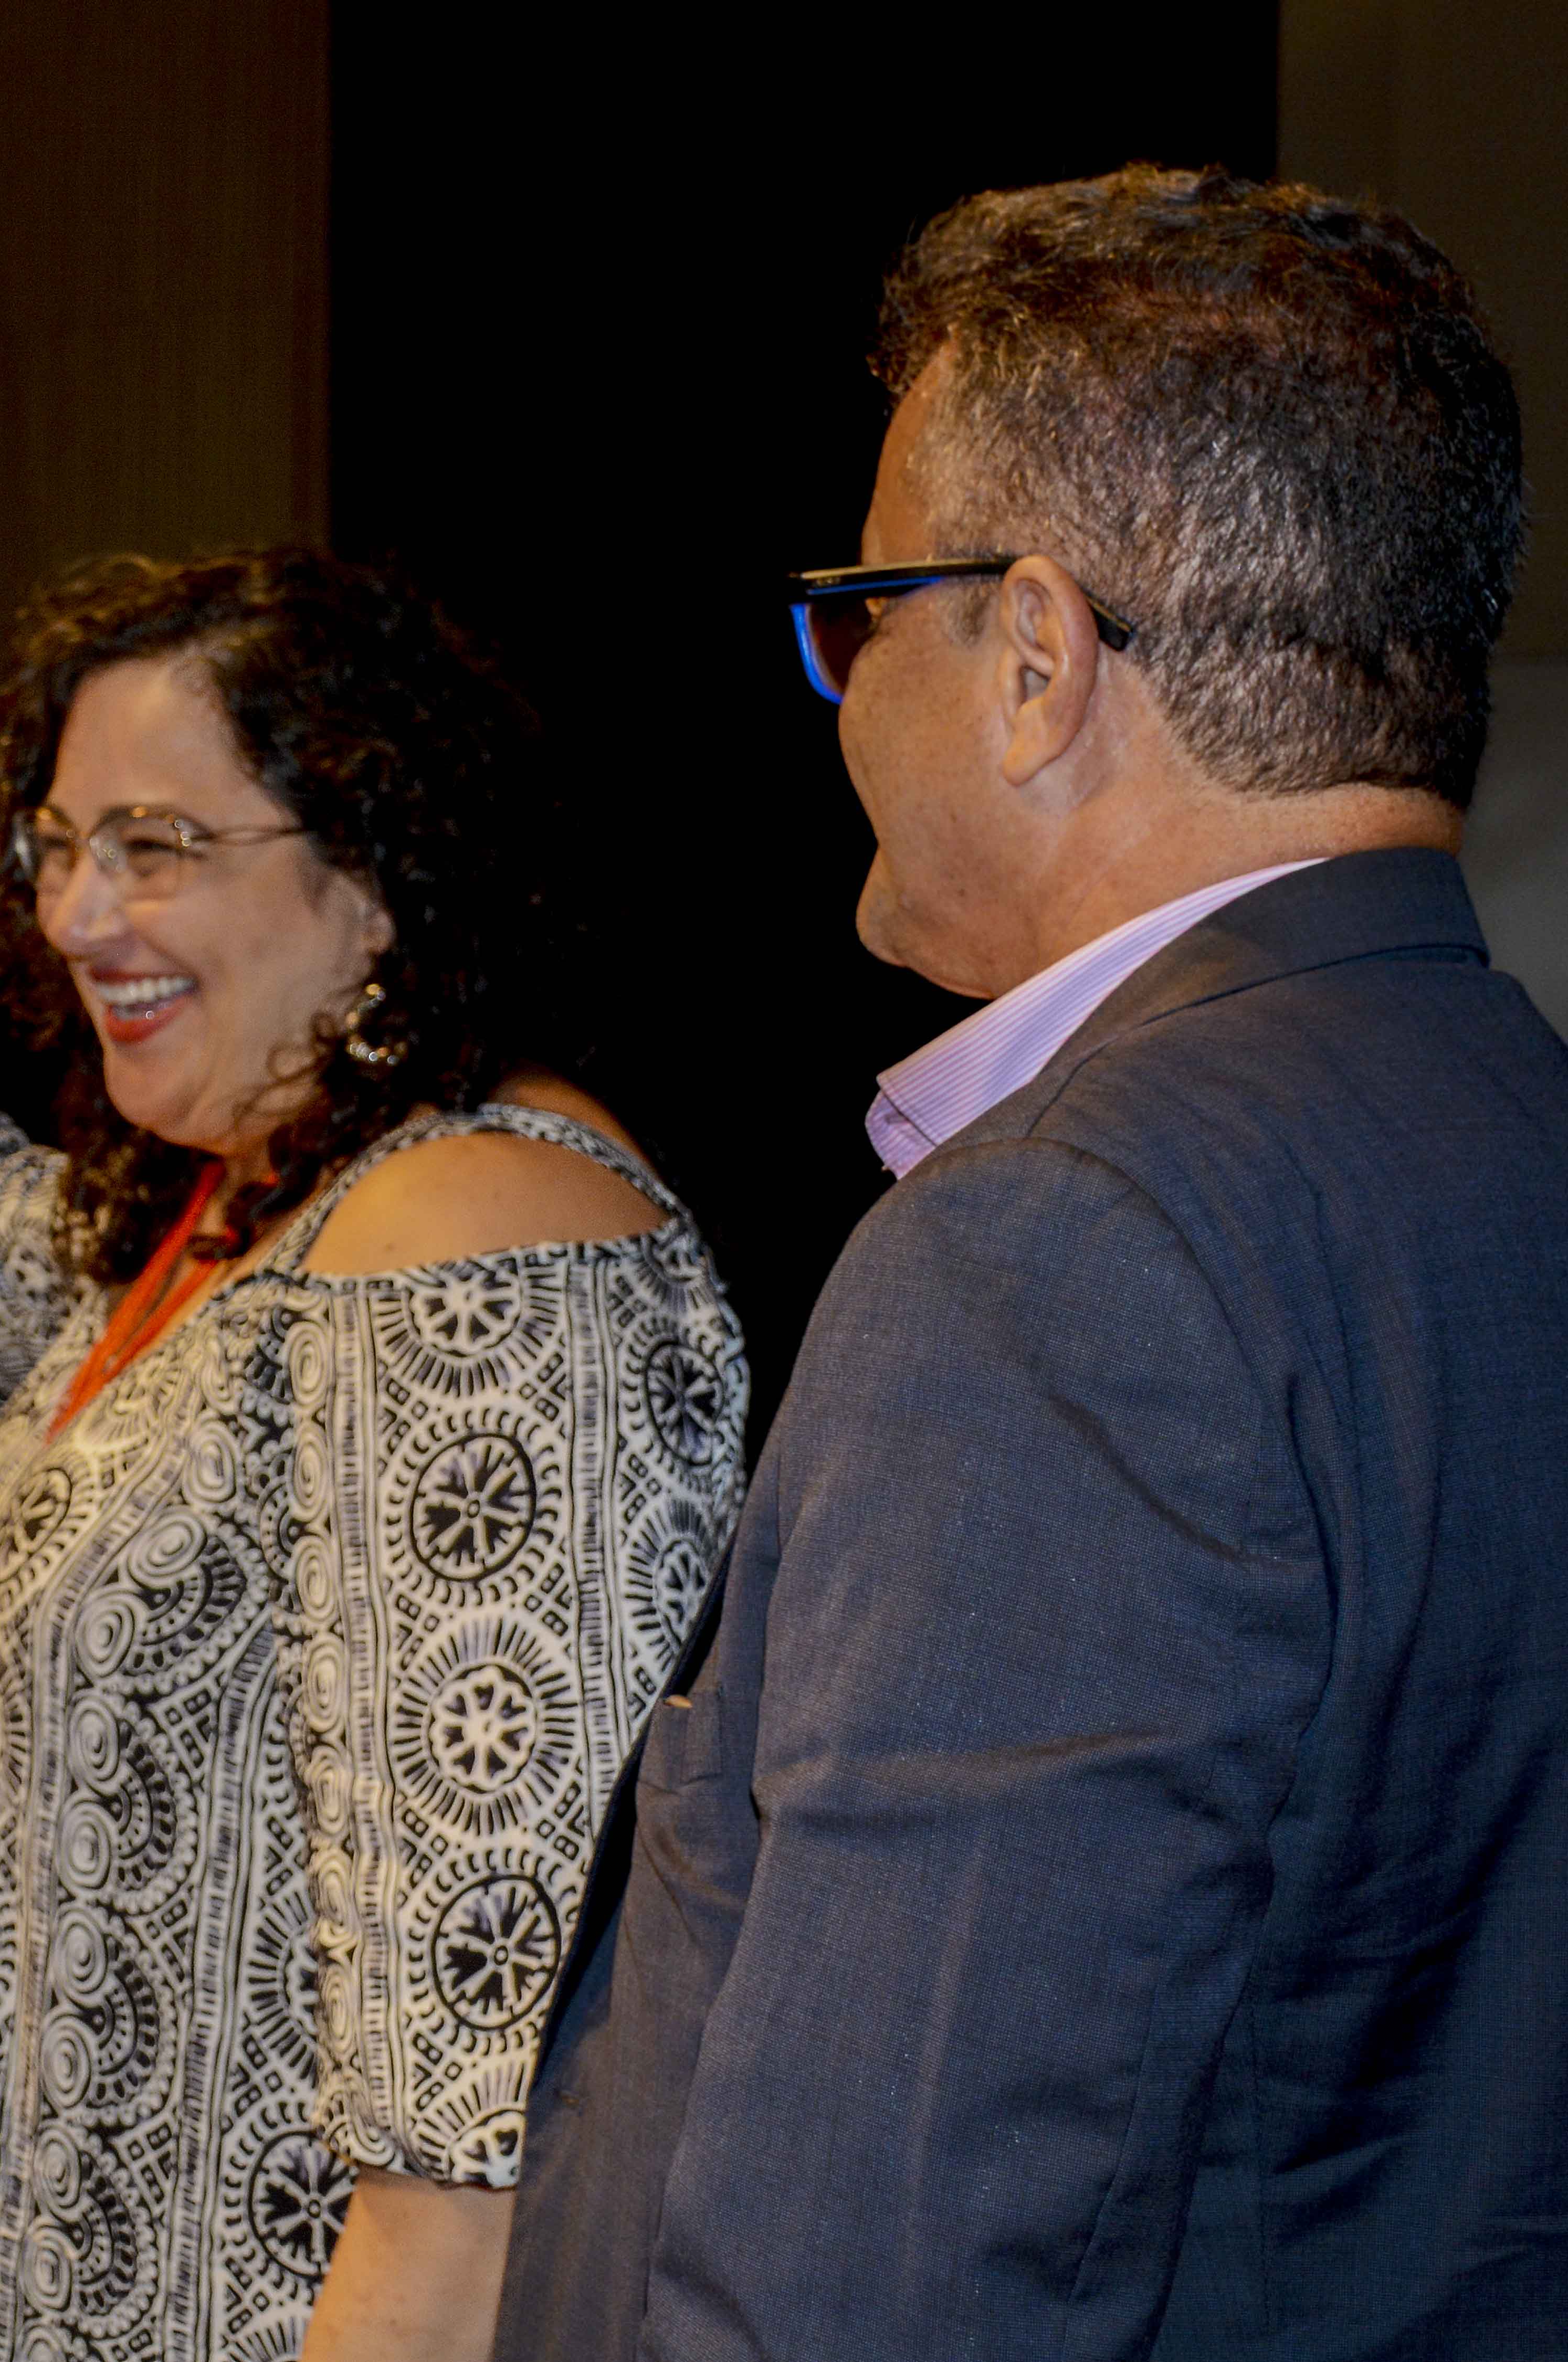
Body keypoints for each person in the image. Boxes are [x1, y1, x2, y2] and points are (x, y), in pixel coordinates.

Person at [496, 167, 1568, 2360]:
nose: (835, 698)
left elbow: (877, 2266)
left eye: (860, 611)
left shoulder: (1064, 1251)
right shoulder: (1506, 1136)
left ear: (1035, 655)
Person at [0, 547, 752, 2362]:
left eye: (157, 845)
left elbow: (474, 2066)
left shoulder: (481, 1240)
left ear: (375, 869)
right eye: (57, 845)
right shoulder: (251, 1215)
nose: (80, 913)